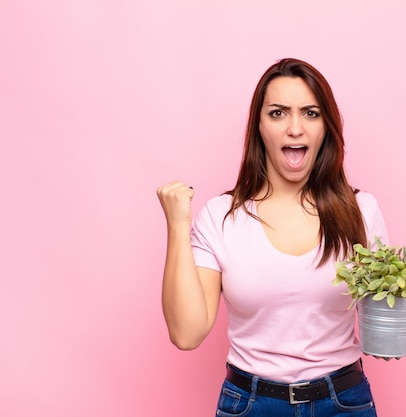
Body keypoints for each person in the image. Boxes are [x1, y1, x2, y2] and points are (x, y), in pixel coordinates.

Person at [157, 58, 390, 417]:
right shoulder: (221, 217)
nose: (295, 128)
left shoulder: (361, 211)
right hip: (251, 404)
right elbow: (187, 334)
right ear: (259, 127)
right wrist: (177, 225)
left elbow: (383, 313)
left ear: (327, 127)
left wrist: (398, 317)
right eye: (278, 113)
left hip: (344, 402)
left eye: (310, 113)